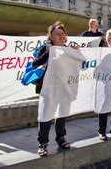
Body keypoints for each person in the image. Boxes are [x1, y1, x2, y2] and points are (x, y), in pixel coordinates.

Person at [34, 22, 74, 157]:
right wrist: (48, 53)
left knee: (62, 114)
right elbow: (35, 64)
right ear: (51, 36)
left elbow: (81, 65)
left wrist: (77, 52)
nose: (61, 36)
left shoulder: (69, 50)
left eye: (63, 34)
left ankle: (61, 138)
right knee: (46, 115)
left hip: (64, 88)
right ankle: (43, 143)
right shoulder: (46, 48)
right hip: (47, 88)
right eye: (58, 34)